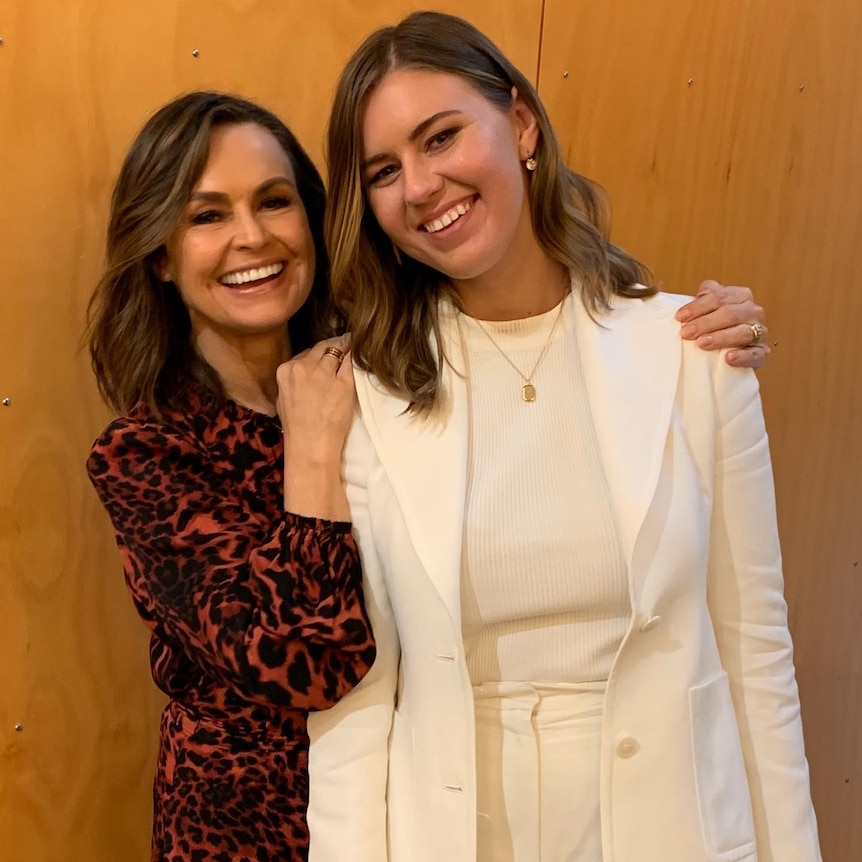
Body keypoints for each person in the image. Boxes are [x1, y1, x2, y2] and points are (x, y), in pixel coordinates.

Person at [306, 10, 820, 862]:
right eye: (386, 171)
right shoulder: (369, 390)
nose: (423, 185)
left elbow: (755, 651)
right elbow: (358, 699)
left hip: (675, 832)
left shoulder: (693, 354)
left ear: (520, 124)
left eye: (442, 137)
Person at [85, 92, 375, 862]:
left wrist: (708, 327)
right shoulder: (145, 456)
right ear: (159, 253)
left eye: (274, 201)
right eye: (206, 215)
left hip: (402, 802)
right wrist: (312, 447)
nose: (253, 237)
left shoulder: (379, 383)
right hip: (246, 832)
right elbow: (307, 661)